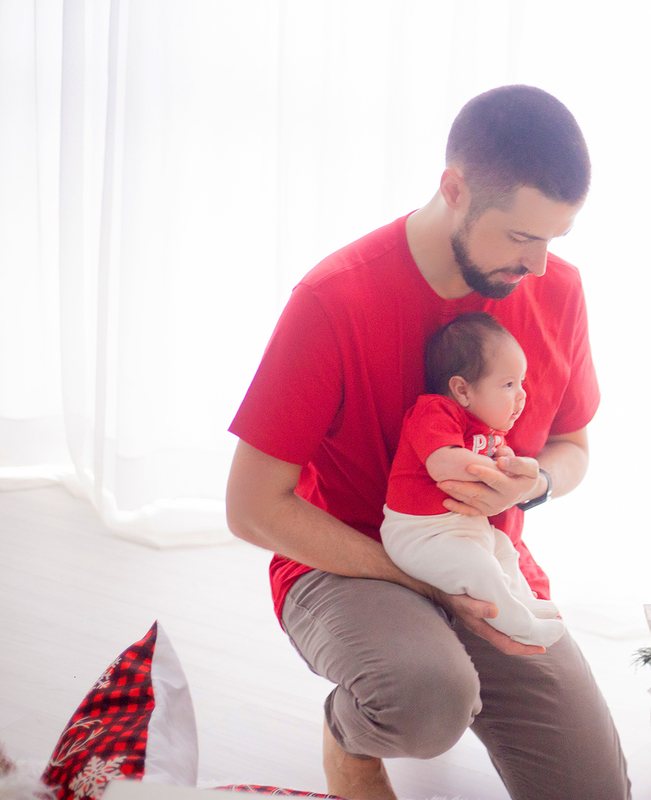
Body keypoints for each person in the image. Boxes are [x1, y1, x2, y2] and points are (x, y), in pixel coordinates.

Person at [224, 85, 630, 800]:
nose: (537, 266)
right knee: (425, 699)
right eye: (520, 237)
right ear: (454, 189)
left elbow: (574, 445)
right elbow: (252, 508)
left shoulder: (557, 290)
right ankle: (352, 735)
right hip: (344, 561)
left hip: (481, 560)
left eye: (553, 240)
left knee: (593, 791)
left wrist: (535, 484)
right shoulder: (334, 299)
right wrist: (418, 578)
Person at [381, 311, 565, 648]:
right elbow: (444, 463)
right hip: (420, 536)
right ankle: (520, 625)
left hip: (464, 532)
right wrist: (499, 473)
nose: (522, 395)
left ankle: (523, 600)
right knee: (481, 568)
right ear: (462, 390)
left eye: (521, 383)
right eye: (509, 384)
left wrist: (516, 469)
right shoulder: (434, 412)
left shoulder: (486, 431)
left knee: (503, 550)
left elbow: (504, 462)